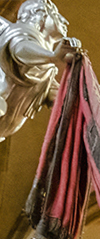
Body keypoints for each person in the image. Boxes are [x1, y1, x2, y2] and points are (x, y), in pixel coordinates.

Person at [0, 0, 77, 142]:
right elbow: (19, 50)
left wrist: (87, 96)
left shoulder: (46, 68)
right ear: (40, 14)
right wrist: (52, 57)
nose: (64, 21)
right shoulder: (16, 33)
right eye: (56, 15)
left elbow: (60, 98)